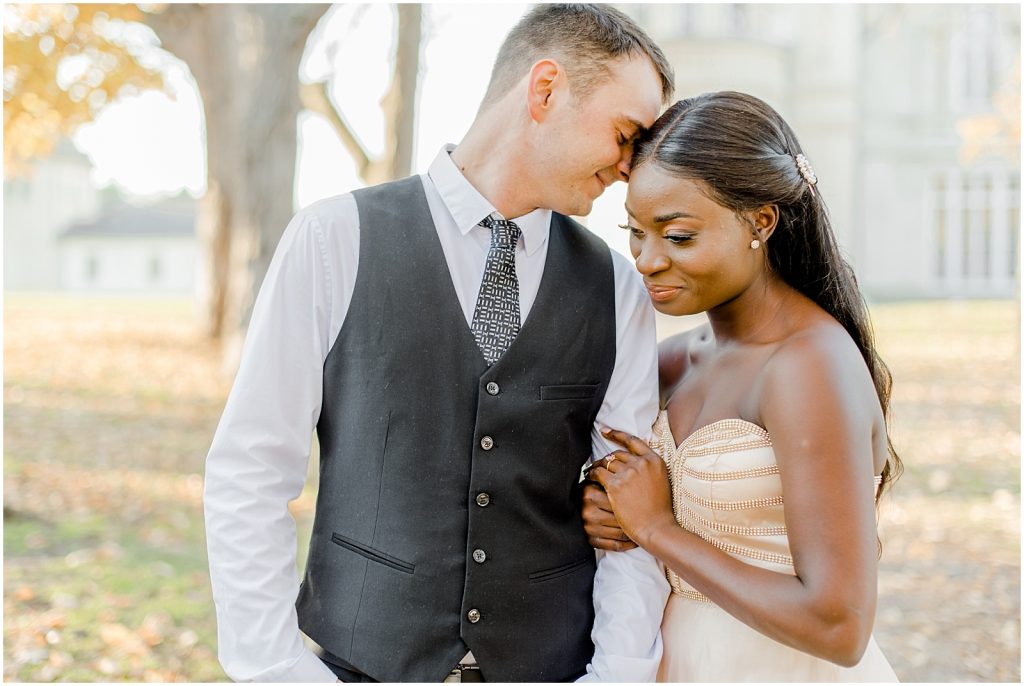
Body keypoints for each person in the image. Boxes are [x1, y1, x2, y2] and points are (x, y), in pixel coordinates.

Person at [204, 5, 676, 683]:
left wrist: (616, 677)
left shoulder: (617, 290)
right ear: (544, 90)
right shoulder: (335, 239)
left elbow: (624, 518)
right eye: (625, 134)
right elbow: (249, 472)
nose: (630, 168)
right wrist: (278, 671)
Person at [582, 91, 902, 681]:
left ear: (760, 221)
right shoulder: (671, 362)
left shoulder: (809, 366)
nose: (647, 260)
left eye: (677, 236)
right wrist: (603, 509)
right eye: (636, 232)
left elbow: (840, 625)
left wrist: (656, 530)